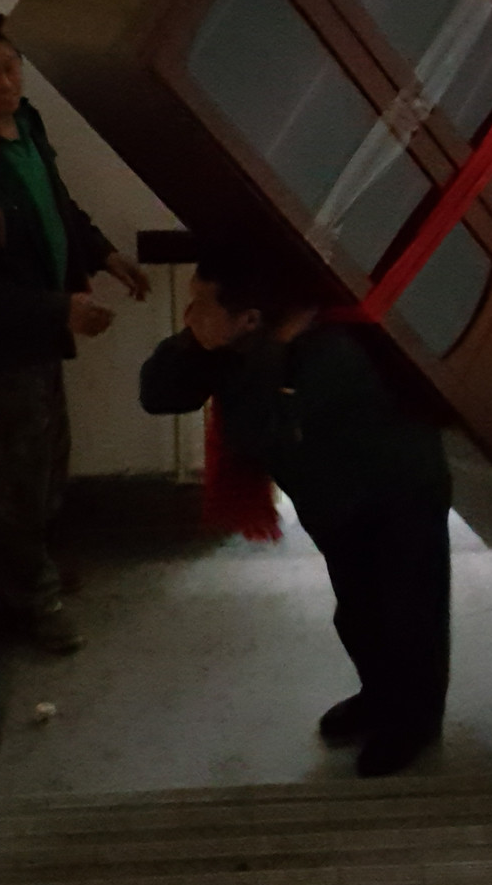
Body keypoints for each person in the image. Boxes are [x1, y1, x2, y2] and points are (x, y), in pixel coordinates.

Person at [139, 243, 453, 777]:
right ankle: (379, 697)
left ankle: (414, 723)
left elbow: (258, 430)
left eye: (201, 305)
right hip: (336, 501)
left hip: (398, 492)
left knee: (408, 614)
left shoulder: (329, 352)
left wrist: (270, 352)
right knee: (359, 612)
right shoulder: (236, 341)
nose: (190, 315)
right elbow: (157, 393)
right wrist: (197, 341)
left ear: (249, 318)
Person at [0, 9, 150, 651]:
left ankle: (31, 574)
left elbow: (57, 203)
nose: (7, 82)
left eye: (12, 65)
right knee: (11, 484)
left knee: (46, 468)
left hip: (40, 339)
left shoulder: (27, 123)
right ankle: (32, 600)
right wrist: (59, 310)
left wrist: (104, 253)